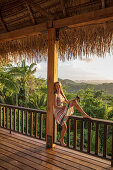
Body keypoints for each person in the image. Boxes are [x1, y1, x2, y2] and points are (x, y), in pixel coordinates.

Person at [54, 81, 91, 146]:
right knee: (65, 127)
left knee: (65, 127)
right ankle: (85, 114)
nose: (58, 87)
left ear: (61, 86)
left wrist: (74, 99)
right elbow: (55, 106)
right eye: (57, 86)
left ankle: (61, 140)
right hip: (58, 111)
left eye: (59, 86)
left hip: (63, 110)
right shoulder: (55, 95)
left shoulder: (62, 94)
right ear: (55, 87)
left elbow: (68, 102)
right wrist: (63, 107)